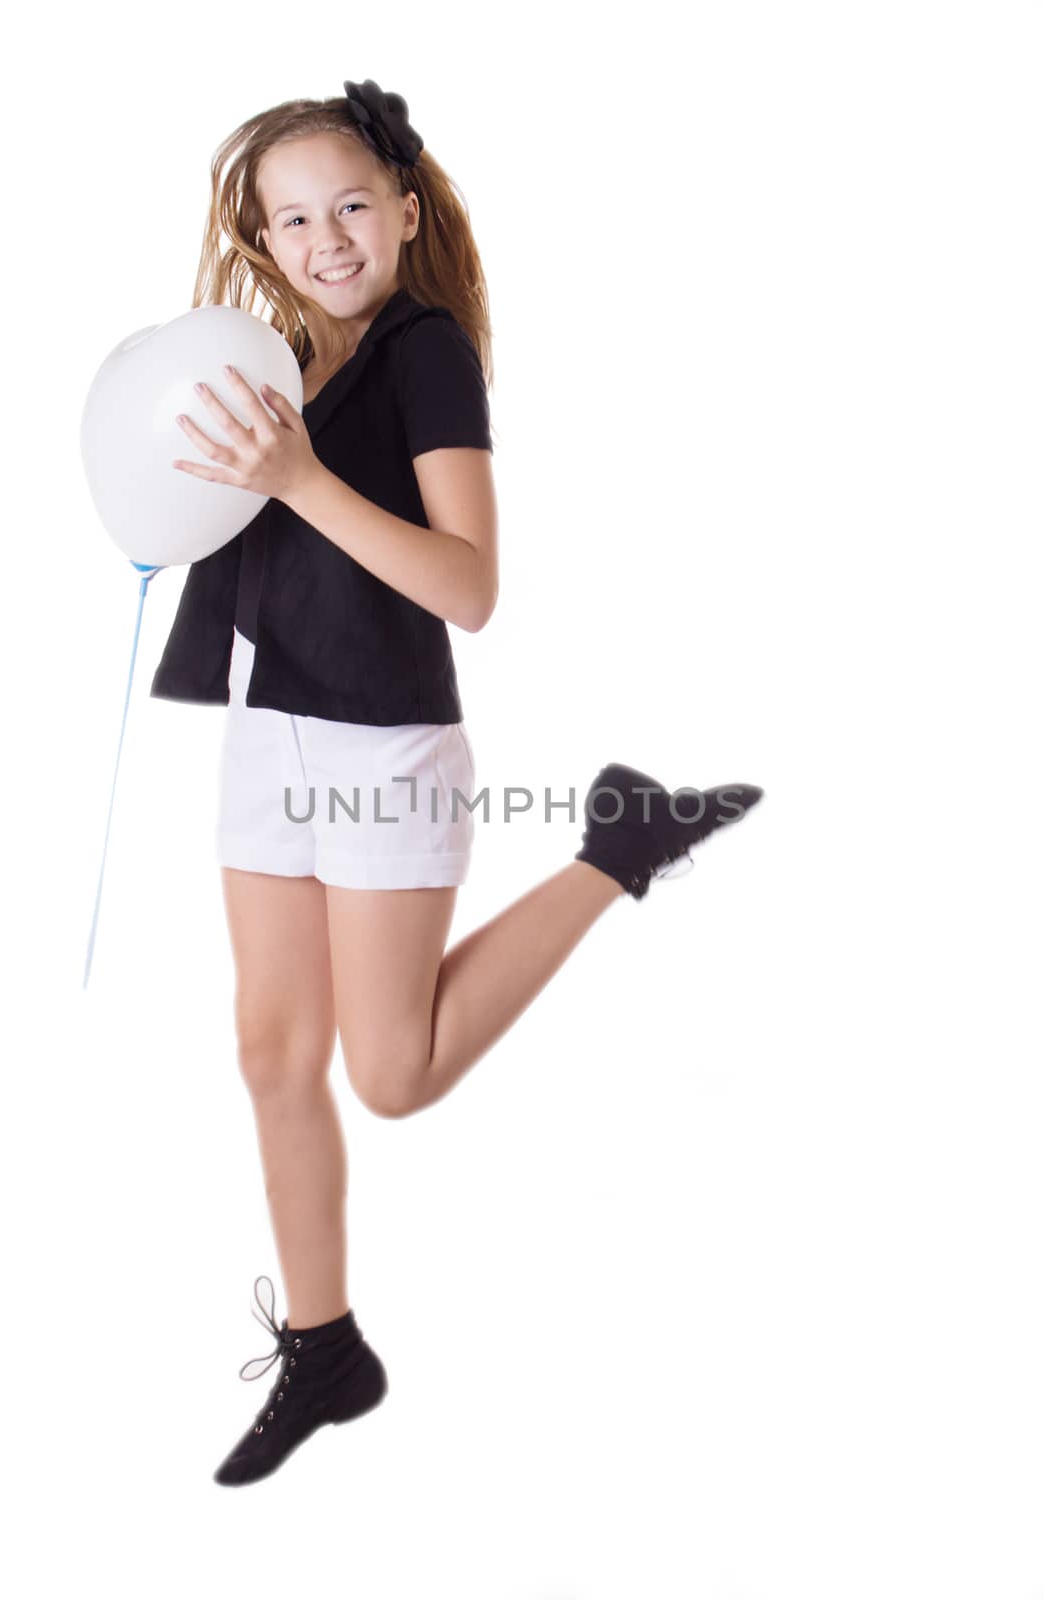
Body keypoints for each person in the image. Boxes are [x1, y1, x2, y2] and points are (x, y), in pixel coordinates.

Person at [151, 78, 765, 1488]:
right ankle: (326, 1348)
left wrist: (299, 480)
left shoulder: (429, 353)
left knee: (396, 1072)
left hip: (381, 748)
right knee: (267, 1054)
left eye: (352, 205)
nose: (328, 236)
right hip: (267, 738)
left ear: (406, 210)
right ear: (260, 245)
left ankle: (618, 848)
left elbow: (470, 588)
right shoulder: (275, 364)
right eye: (292, 219)